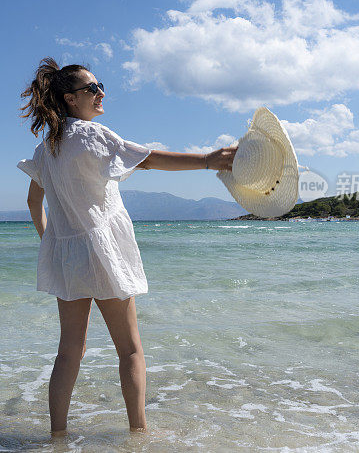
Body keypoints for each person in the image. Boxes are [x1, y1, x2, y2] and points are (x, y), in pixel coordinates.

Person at [17, 57, 236, 436]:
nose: (101, 93)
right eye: (92, 89)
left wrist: (51, 241)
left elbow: (33, 202)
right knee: (130, 350)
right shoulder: (91, 135)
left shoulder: (45, 150)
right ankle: (138, 435)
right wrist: (207, 160)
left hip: (68, 257)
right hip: (103, 254)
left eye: (101, 86)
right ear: (70, 99)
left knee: (69, 352)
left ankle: (57, 436)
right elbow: (147, 160)